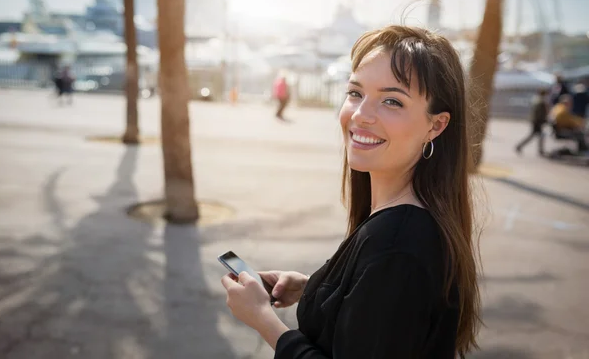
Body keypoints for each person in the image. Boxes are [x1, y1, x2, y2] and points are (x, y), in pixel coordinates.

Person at [221, 25, 482, 358]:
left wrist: (262, 319)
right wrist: (315, 289)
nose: (360, 115)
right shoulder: (402, 224)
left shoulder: (397, 245)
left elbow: (390, 278)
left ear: (436, 125)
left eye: (392, 101)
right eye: (356, 93)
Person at [515, 89, 548, 155]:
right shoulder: (540, 101)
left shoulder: (537, 100)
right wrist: (542, 120)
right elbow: (539, 113)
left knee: (538, 136)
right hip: (537, 122)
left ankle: (540, 150)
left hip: (536, 121)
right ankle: (519, 146)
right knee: (536, 136)